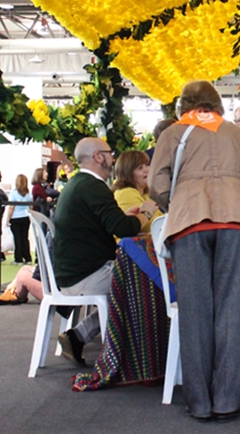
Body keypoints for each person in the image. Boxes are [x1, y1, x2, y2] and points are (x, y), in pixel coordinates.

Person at [149, 81, 240, 422]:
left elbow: (158, 185)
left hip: (190, 224)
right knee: (232, 310)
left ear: (183, 104)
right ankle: (227, 402)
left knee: (195, 312)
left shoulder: (173, 133)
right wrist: (238, 195)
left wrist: (181, 202)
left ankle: (200, 403)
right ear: (217, 103)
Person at [54, 137, 147, 367]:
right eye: (109, 152)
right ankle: (139, 357)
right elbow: (123, 230)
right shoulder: (94, 187)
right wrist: (147, 214)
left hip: (72, 273)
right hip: (87, 276)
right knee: (146, 281)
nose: (113, 158)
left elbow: (105, 223)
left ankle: (79, 336)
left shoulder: (77, 184)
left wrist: (128, 217)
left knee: (137, 279)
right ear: (98, 157)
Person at [111, 150, 158, 232]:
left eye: (147, 165)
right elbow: (146, 226)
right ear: (128, 173)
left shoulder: (146, 193)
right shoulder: (125, 193)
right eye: (140, 168)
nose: (146, 170)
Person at [7, 173, 33, 264]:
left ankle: (18, 258)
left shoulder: (13, 194)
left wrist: (8, 219)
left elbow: (11, 207)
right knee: (25, 237)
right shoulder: (28, 194)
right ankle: (27, 257)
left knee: (17, 238)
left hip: (16, 217)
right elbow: (31, 206)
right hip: (26, 217)